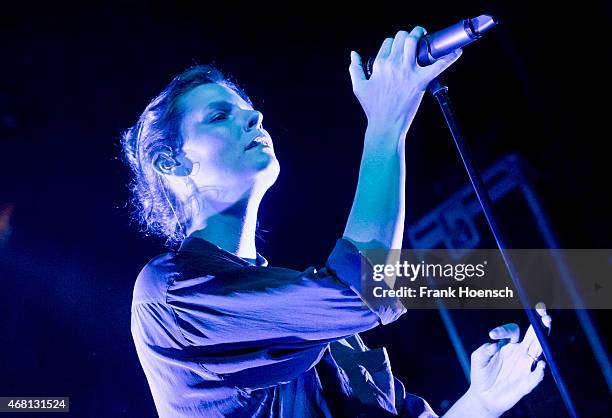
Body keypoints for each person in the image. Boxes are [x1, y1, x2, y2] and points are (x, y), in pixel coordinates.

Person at [123, 27, 546, 417]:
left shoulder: (313, 318)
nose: (254, 119)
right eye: (219, 116)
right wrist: (385, 123)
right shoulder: (169, 297)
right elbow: (362, 291)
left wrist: (483, 401)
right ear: (169, 162)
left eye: (249, 110)